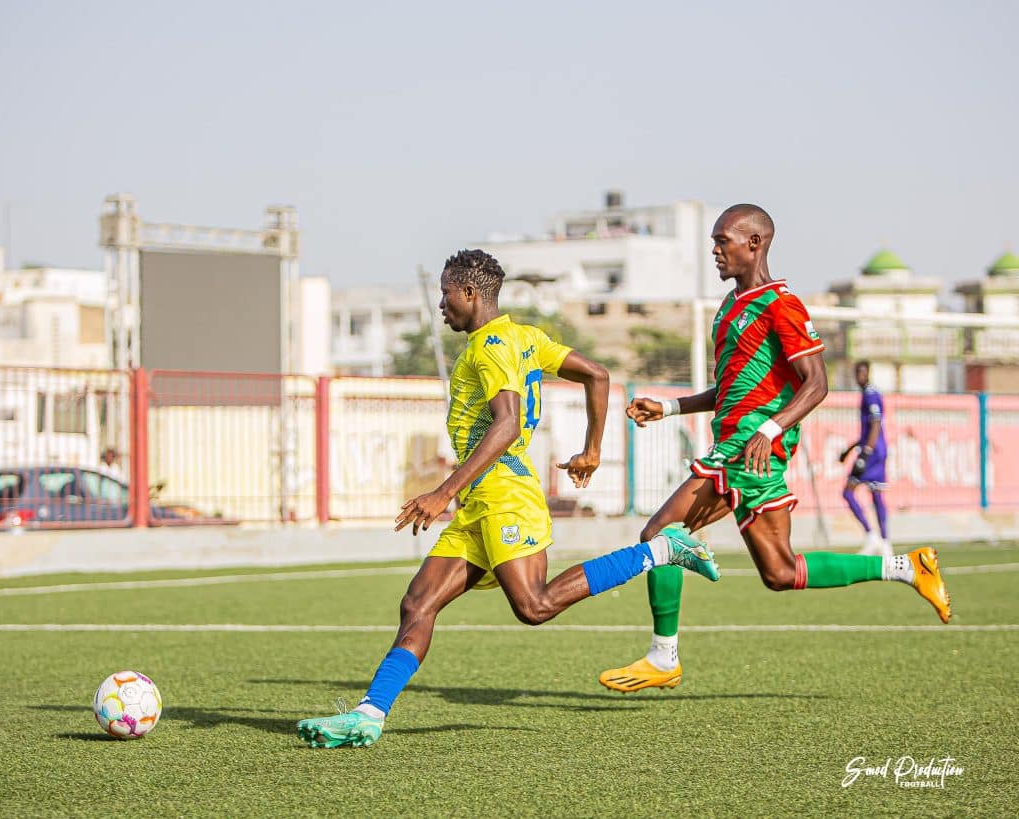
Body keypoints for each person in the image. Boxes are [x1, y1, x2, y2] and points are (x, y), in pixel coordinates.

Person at [296, 249, 720, 748]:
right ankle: (369, 714)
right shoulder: (525, 337)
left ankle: (662, 551)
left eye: (446, 293)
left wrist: (442, 491)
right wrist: (591, 449)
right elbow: (598, 375)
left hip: (504, 493)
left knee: (534, 606)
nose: (441, 303)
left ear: (470, 293)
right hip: (481, 497)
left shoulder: (490, 346)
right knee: (417, 603)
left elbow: (509, 423)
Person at [598, 204, 951, 694]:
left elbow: (817, 383)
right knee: (781, 572)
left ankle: (664, 657)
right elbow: (726, 388)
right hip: (741, 449)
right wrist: (671, 407)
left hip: (748, 453)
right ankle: (907, 567)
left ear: (756, 244)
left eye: (725, 241)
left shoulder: (780, 304)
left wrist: (769, 428)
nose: (716, 250)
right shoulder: (729, 307)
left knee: (661, 533)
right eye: (715, 241)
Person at [839, 361, 891, 558]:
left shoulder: (870, 395)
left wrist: (865, 453)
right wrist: (850, 450)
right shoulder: (868, 393)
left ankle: (874, 537)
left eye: (862, 372)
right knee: (875, 494)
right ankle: (884, 542)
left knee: (848, 492)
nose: (859, 376)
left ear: (868, 373)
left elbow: (876, 424)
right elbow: (869, 429)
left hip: (873, 453)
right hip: (876, 450)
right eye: (857, 373)